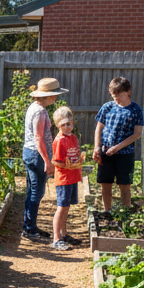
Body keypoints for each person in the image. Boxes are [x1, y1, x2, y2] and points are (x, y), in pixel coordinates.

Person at [22, 77, 65, 242]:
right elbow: (39, 138)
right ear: (44, 95)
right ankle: (29, 230)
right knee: (36, 193)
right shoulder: (39, 111)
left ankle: (29, 226)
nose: (55, 98)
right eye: (53, 95)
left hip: (30, 152)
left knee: (31, 192)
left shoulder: (34, 107)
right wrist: (47, 161)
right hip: (36, 155)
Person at [93, 77, 144, 211]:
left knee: (125, 185)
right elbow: (99, 128)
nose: (116, 99)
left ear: (128, 92)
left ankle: (125, 214)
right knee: (105, 183)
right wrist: (96, 148)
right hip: (106, 152)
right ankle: (107, 211)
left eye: (119, 95)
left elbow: (137, 134)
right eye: (113, 95)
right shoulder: (107, 107)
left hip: (125, 154)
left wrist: (117, 148)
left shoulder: (135, 110)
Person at [51, 106, 84, 251]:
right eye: (63, 125)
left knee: (67, 207)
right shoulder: (59, 140)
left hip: (72, 177)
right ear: (58, 125)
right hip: (64, 178)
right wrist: (68, 166)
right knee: (61, 207)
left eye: (68, 124)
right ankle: (56, 238)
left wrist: (79, 162)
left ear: (72, 123)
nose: (66, 127)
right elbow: (55, 161)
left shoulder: (73, 138)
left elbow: (74, 156)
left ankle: (64, 234)